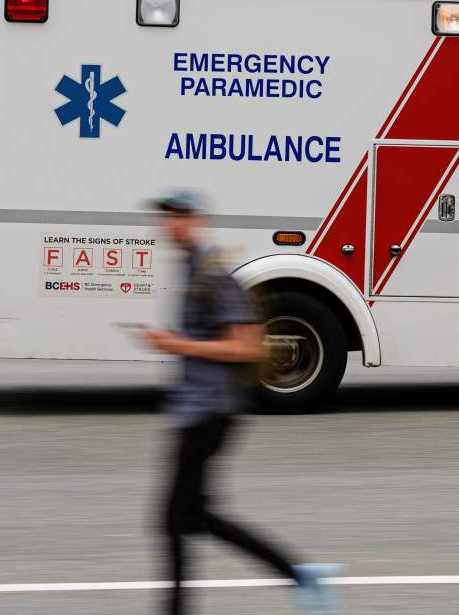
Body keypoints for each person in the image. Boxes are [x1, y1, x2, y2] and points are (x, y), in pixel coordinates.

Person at [137, 189, 340, 615]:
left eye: (175, 217)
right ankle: (299, 573)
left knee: (175, 520)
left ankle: (182, 606)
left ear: (195, 221)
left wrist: (177, 344)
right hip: (196, 409)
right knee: (191, 519)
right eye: (165, 217)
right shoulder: (192, 266)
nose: (167, 225)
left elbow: (246, 347)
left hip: (211, 412)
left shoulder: (213, 273)